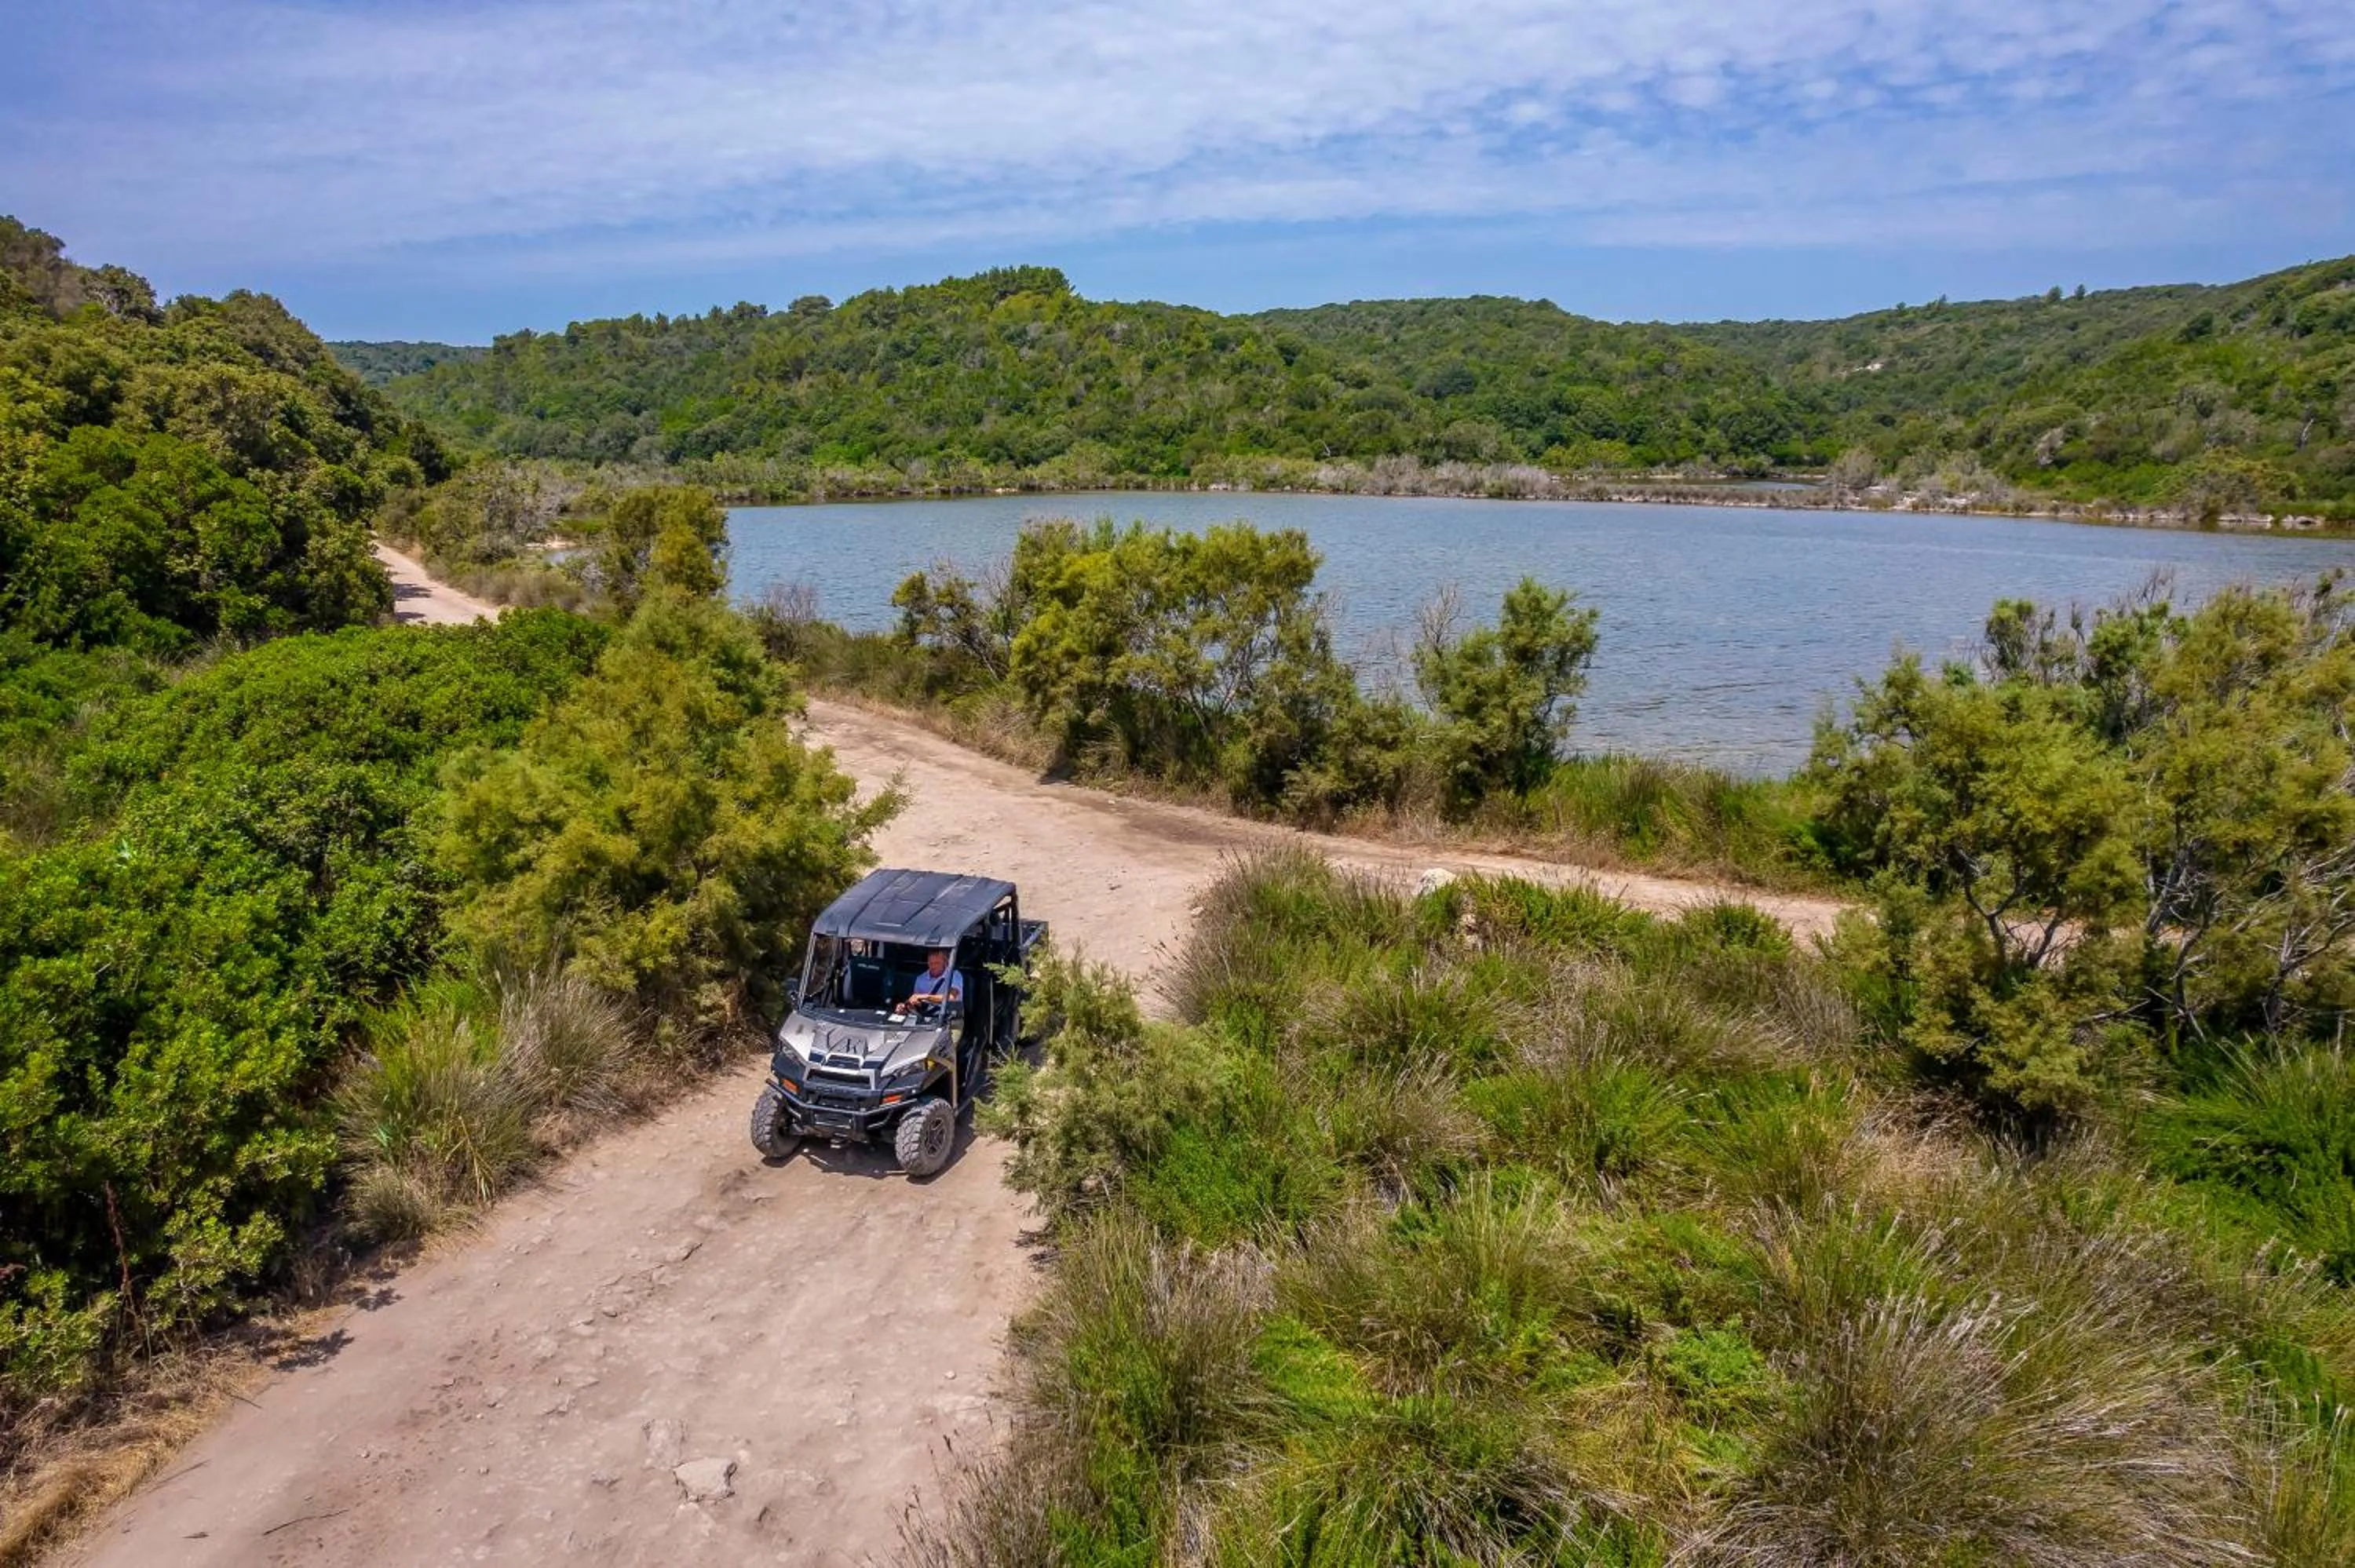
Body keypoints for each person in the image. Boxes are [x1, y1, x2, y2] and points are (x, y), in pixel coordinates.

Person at [905, 947, 964, 1012]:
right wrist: (906, 1007)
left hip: (951, 1015)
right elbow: (917, 1003)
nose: (933, 967)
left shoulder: (954, 975)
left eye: (937, 963)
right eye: (931, 963)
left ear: (945, 963)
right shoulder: (920, 979)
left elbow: (951, 997)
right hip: (928, 1016)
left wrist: (926, 997)